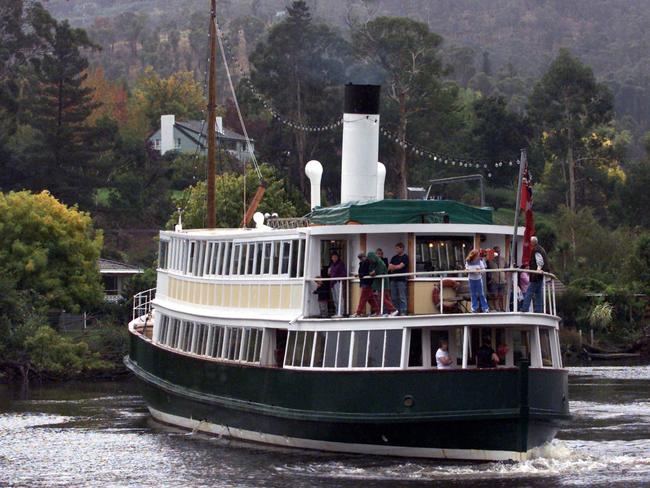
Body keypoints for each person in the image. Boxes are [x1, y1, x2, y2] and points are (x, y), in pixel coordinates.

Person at [521, 236, 549, 313]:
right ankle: (538, 310)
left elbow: (540, 262)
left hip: (536, 276)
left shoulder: (536, 250)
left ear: (532, 243)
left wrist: (537, 271)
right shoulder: (540, 248)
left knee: (529, 292)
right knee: (538, 293)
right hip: (539, 275)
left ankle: (524, 309)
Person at [368, 251, 399, 316]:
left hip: (384, 282)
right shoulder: (372, 263)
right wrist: (371, 273)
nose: (370, 261)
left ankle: (393, 310)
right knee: (385, 297)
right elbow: (370, 270)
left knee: (383, 297)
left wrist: (374, 273)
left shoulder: (380, 262)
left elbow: (380, 272)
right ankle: (390, 311)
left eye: (371, 259)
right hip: (378, 283)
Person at [352, 253, 379, 317]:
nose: (361, 259)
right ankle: (377, 311)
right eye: (359, 258)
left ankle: (358, 312)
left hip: (368, 283)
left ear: (365, 257)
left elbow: (367, 272)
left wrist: (360, 275)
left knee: (363, 298)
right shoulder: (361, 263)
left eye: (361, 257)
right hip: (363, 282)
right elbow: (361, 272)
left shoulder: (368, 263)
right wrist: (359, 274)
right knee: (370, 298)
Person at [388, 242, 409, 316]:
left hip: (401, 280)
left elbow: (400, 266)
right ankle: (396, 311)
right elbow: (389, 268)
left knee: (402, 296)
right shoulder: (394, 257)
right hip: (393, 279)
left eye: (397, 248)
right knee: (393, 297)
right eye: (395, 248)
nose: (396, 250)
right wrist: (395, 267)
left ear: (402, 248)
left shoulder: (405, 257)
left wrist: (394, 267)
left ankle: (403, 311)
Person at [328, 252, 346, 318]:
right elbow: (330, 273)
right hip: (332, 283)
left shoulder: (340, 264)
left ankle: (341, 312)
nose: (334, 258)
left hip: (338, 282)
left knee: (339, 298)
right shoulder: (332, 264)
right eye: (333, 257)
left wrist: (338, 279)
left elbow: (344, 273)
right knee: (335, 299)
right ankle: (337, 312)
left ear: (337, 257)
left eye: (335, 257)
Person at [488, 246, 506, 311]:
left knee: (502, 296)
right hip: (494, 281)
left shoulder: (503, 259)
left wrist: (505, 278)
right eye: (497, 251)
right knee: (495, 296)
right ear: (494, 252)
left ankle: (502, 308)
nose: (498, 253)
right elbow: (486, 269)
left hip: (502, 281)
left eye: (499, 251)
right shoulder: (490, 260)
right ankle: (496, 308)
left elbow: (506, 269)